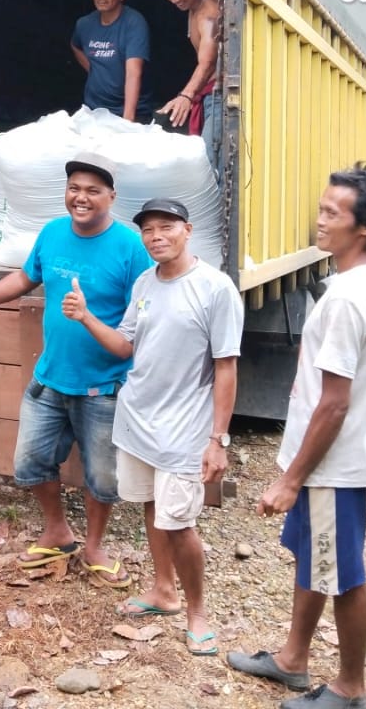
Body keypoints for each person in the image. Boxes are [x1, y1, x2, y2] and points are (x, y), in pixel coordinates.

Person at [227, 164, 366, 709]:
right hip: (324, 460)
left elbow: (334, 402)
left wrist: (291, 479)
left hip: (331, 467)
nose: (320, 220)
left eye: (332, 212)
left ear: (365, 226)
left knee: (343, 574)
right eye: (321, 208)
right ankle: (292, 659)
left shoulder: (349, 298)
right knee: (315, 559)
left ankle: (351, 689)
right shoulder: (361, 281)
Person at [0, 152, 149, 587]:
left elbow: (146, 312)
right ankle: (58, 532)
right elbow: (24, 279)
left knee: (103, 477)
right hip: (50, 379)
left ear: (111, 197)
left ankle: (94, 546)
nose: (81, 197)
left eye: (93, 190)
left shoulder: (130, 246)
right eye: (74, 188)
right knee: (30, 463)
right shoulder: (52, 233)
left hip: (105, 386)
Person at [62, 198, 243, 656]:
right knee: (151, 505)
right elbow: (125, 346)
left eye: (166, 227)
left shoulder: (215, 288)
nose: (156, 236)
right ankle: (164, 590)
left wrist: (218, 439)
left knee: (179, 522)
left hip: (184, 429)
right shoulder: (145, 282)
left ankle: (197, 612)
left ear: (188, 230)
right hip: (138, 420)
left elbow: (226, 367)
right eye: (148, 229)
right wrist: (86, 317)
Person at [156, 0, 222, 170]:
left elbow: (208, 63)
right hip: (207, 94)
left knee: (209, 166)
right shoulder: (194, 7)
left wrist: (186, 96)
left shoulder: (209, 15)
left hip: (219, 98)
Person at [70, 0, 153, 123]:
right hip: (93, 111)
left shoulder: (134, 23)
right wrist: (93, 70)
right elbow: (75, 45)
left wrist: (127, 122)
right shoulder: (84, 24)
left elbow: (133, 73)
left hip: (129, 112)